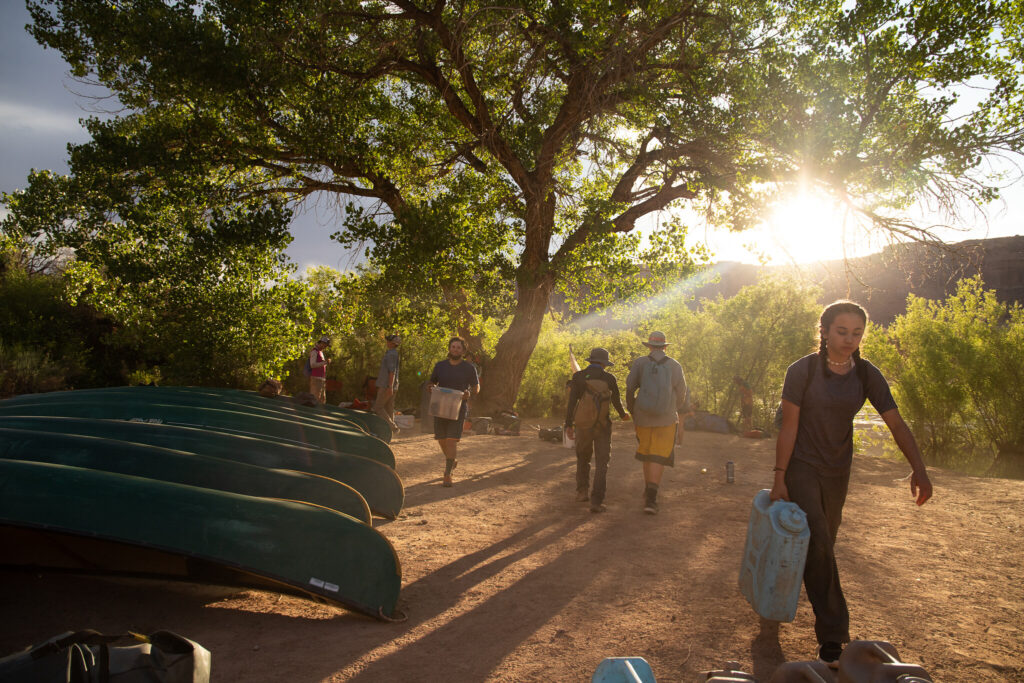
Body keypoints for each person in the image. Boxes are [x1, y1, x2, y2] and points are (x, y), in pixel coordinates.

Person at [770, 300, 933, 668]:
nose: (849, 340)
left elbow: (895, 421)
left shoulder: (866, 374)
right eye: (841, 331)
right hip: (801, 466)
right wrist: (780, 475)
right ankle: (832, 637)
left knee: (821, 544)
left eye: (857, 333)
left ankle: (776, 592)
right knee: (820, 540)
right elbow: (789, 426)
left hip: (838, 470)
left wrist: (919, 469)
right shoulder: (802, 371)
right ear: (824, 331)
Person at [625, 331, 689, 515]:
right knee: (658, 456)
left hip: (643, 418)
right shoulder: (675, 366)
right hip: (667, 420)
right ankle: (651, 498)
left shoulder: (640, 363)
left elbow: (630, 388)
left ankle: (648, 490)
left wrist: (633, 410)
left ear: (650, 346)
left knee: (647, 454)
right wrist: (672, 409)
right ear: (665, 347)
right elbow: (682, 393)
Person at [564, 348, 629, 513]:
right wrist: (623, 415)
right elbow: (616, 401)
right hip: (603, 426)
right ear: (604, 363)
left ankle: (582, 492)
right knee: (602, 463)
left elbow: (572, 403)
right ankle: (596, 501)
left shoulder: (578, 377)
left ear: (591, 361)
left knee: (583, 458)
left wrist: (568, 424)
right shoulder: (609, 378)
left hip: (583, 425)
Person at [429, 337, 480, 487]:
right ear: (449, 349)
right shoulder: (440, 366)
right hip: (440, 406)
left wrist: (469, 393)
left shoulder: (469, 368)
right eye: (453, 347)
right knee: (441, 440)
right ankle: (452, 461)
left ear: (463, 351)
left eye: (459, 348)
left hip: (458, 407)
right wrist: (430, 387)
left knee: (451, 440)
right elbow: (432, 382)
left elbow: (476, 387)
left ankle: (447, 473)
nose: (456, 350)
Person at [374, 333, 401, 433]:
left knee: (378, 407)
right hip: (391, 385)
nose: (387, 342)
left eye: (389, 340)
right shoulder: (392, 353)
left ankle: (393, 427)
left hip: (386, 385)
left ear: (393, 343)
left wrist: (389, 387)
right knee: (389, 408)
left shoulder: (391, 354)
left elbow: (392, 371)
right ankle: (389, 433)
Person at [308, 335, 331, 404]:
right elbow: (312, 365)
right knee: (315, 399)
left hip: (321, 379)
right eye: (325, 345)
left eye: (326, 346)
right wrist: (325, 362)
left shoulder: (321, 352)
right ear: (321, 343)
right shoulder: (314, 352)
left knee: (322, 401)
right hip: (316, 378)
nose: (325, 347)